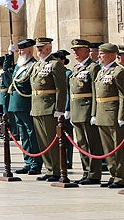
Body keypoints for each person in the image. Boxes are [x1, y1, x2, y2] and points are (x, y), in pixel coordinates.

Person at [28, 37, 68, 181]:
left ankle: (56, 170)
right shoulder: (37, 65)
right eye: (37, 47)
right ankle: (49, 169)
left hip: (49, 107)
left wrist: (59, 109)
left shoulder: (55, 64)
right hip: (37, 106)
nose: (38, 49)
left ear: (49, 48)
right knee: (42, 142)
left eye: (41, 47)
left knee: (51, 140)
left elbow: (61, 89)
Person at [68, 39, 101, 184]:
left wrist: (94, 113)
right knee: (81, 143)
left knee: (92, 143)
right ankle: (86, 171)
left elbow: (95, 93)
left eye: (78, 49)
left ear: (86, 50)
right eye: (74, 49)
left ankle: (94, 174)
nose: (74, 52)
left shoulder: (93, 67)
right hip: (76, 111)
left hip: (87, 110)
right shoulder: (76, 68)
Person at [92, 43, 124, 188]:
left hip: (113, 114)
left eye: (102, 53)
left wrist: (121, 116)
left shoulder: (118, 72)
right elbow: (95, 96)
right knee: (108, 148)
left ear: (111, 55)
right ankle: (113, 174)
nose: (99, 56)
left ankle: (120, 176)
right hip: (101, 114)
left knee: (118, 148)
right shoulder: (100, 72)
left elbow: (122, 95)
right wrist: (94, 114)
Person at [8, 39, 41, 175]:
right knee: (23, 135)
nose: (20, 52)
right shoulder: (19, 65)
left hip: (26, 103)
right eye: (19, 50)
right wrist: (9, 54)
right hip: (16, 104)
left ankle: (35, 163)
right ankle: (27, 161)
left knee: (31, 134)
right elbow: (7, 71)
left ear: (29, 50)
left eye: (22, 50)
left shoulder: (33, 65)